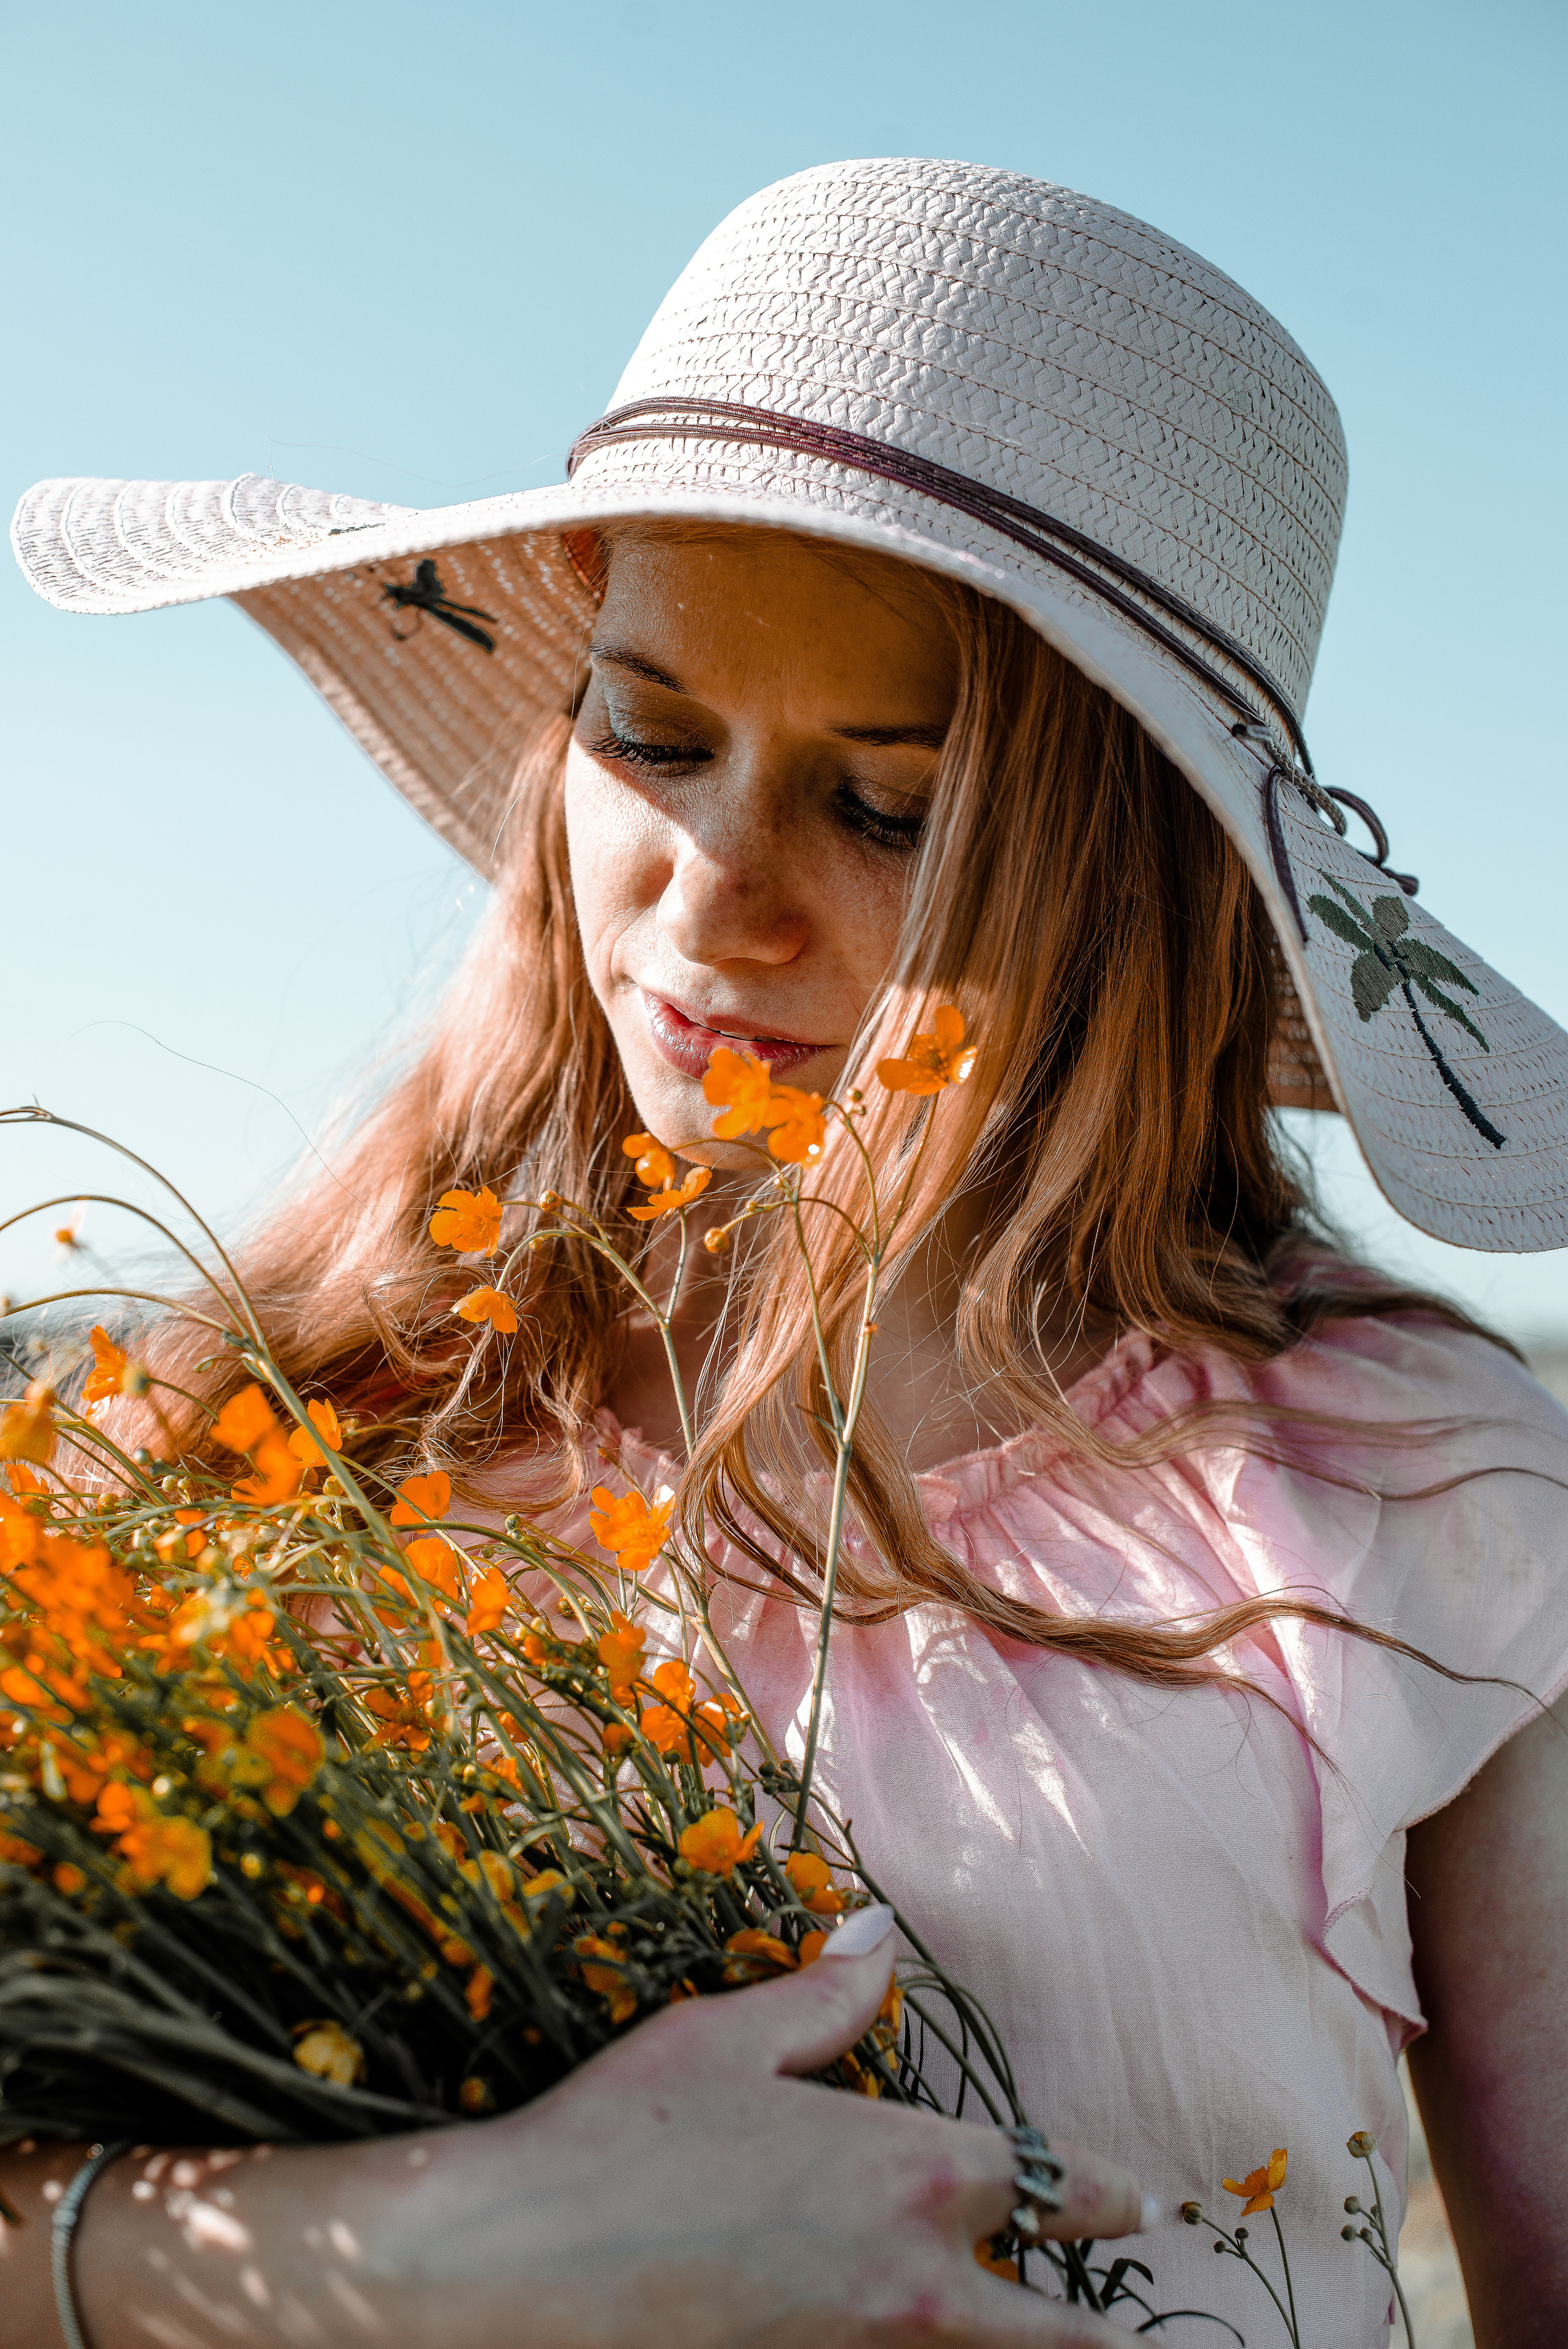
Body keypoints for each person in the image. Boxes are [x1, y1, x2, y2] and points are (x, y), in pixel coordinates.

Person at [6, 157, 1568, 2348]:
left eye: (889, 804)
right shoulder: (277, 1427)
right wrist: (434, 2256)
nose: (712, 897)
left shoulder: (1421, 1479)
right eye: (648, 732)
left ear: (1134, 885)